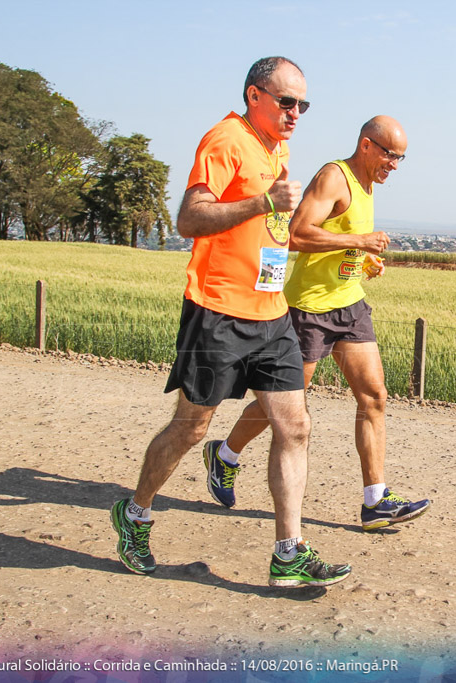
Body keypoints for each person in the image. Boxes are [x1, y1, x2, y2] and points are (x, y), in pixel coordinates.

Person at [110, 56, 351, 588]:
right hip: (216, 311)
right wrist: (262, 202)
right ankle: (135, 514)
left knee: (295, 425)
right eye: (286, 101)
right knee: (192, 428)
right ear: (254, 96)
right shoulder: (224, 140)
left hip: (270, 314)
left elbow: (271, 227)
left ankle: (289, 551)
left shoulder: (276, 147)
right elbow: (189, 218)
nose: (295, 113)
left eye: (302, 105)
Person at [201, 116, 431, 532]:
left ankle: (375, 501)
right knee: (285, 403)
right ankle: (225, 455)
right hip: (308, 311)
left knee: (374, 396)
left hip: (349, 305)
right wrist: (359, 242)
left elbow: (340, 238)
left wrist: (363, 260)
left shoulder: (367, 182)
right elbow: (297, 234)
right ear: (366, 145)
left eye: (401, 157)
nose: (395, 164)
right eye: (389, 154)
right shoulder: (334, 177)